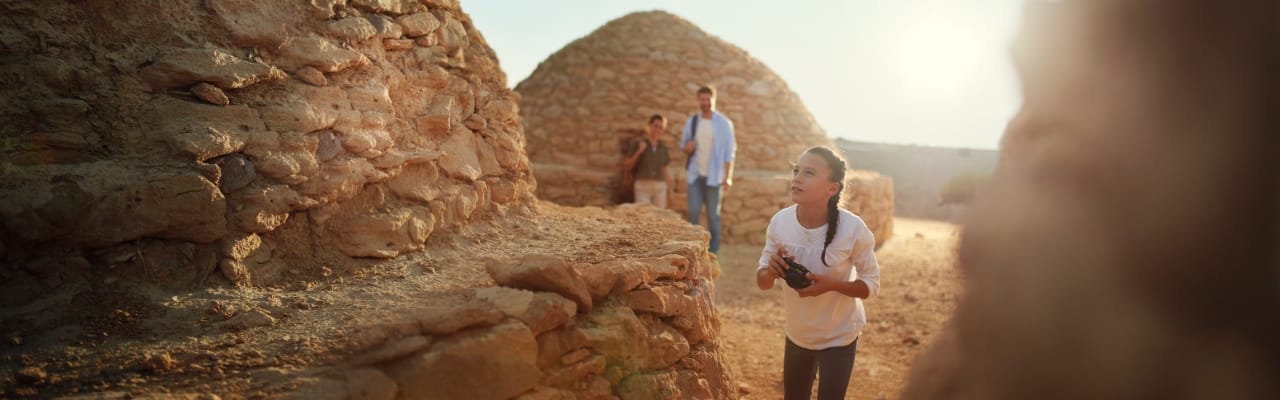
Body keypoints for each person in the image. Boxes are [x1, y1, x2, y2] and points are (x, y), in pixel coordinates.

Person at [756, 146, 881, 400]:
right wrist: (771, 270)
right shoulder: (780, 223)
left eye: (809, 172)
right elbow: (762, 282)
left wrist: (831, 285)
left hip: (840, 336)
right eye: (796, 170)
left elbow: (871, 285)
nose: (797, 178)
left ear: (832, 188)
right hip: (798, 335)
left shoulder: (853, 229)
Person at [680, 85, 736, 254]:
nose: (705, 102)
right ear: (698, 100)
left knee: (713, 216)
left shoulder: (724, 124)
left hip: (714, 177)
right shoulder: (693, 122)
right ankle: (692, 248)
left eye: (708, 99)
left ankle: (713, 252)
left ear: (714, 100)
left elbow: (730, 152)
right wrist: (687, 148)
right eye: (702, 99)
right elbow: (684, 145)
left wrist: (728, 176)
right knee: (693, 212)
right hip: (696, 175)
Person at [623, 114, 673, 208]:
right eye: (655, 126)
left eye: (660, 127)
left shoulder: (663, 147)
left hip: (660, 187)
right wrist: (639, 151)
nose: (657, 130)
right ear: (648, 126)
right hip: (642, 186)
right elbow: (627, 166)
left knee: (659, 218)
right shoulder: (638, 143)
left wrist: (670, 191)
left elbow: (665, 170)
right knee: (644, 216)